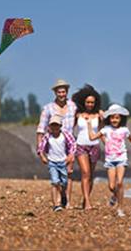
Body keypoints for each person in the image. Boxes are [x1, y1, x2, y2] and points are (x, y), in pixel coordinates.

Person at [87, 104, 131, 216]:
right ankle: (115, 195)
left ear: (121, 119)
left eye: (117, 118)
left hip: (121, 158)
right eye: (112, 117)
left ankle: (120, 208)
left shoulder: (124, 130)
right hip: (110, 160)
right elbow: (92, 137)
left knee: (119, 182)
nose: (114, 120)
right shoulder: (106, 129)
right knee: (111, 186)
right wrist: (89, 125)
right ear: (109, 118)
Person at [37, 79, 77, 208]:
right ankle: (58, 200)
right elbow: (40, 130)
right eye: (59, 92)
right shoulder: (48, 108)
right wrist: (41, 152)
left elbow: (80, 117)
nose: (61, 94)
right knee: (56, 176)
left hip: (69, 144)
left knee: (69, 173)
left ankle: (68, 201)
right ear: (55, 92)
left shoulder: (73, 106)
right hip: (54, 146)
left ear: (67, 92)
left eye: (64, 92)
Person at [72, 84, 103, 210]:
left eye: (92, 102)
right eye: (88, 102)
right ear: (83, 101)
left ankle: (86, 200)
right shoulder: (77, 114)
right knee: (85, 173)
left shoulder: (99, 115)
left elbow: (104, 131)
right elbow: (69, 129)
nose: (90, 104)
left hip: (94, 146)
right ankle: (88, 203)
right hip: (81, 146)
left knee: (91, 175)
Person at [37, 115, 76, 212]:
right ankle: (56, 204)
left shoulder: (65, 135)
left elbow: (73, 144)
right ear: (49, 126)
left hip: (63, 162)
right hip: (52, 162)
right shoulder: (48, 136)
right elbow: (41, 147)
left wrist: (71, 155)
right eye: (52, 125)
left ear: (60, 126)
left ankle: (63, 195)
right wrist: (42, 156)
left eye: (56, 125)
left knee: (64, 182)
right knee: (55, 182)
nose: (54, 127)